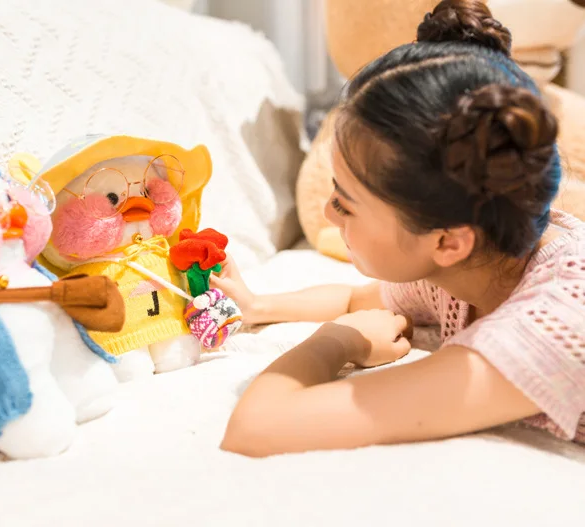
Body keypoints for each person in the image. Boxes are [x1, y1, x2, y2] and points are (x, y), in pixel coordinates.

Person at [214, 0, 585, 457]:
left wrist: (335, 341)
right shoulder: (475, 263)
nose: (327, 213)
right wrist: (258, 305)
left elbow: (257, 427)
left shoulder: (553, 325)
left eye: (345, 203)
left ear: (447, 241)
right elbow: (355, 300)